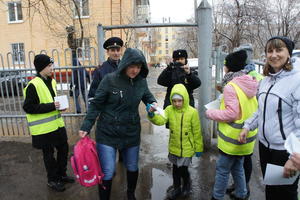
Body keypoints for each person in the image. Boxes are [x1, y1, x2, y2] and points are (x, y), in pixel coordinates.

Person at [78, 48, 157, 200]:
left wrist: (152, 103)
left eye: (139, 67)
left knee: (133, 166)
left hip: (131, 132)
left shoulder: (141, 81)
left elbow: (148, 97)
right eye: (132, 66)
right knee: (107, 171)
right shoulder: (109, 79)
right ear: (125, 64)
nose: (135, 70)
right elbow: (96, 104)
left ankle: (130, 194)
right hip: (108, 132)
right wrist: (86, 125)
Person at [239, 36, 300, 200]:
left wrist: (295, 158)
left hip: (284, 151)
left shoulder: (297, 81)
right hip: (265, 147)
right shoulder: (265, 81)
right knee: (271, 190)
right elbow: (261, 110)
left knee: (286, 194)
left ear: (289, 53)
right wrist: (247, 126)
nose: (273, 55)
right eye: (269, 51)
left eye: (279, 50)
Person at [206, 50, 259, 200]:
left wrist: (210, 113)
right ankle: (242, 194)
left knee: (222, 170)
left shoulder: (231, 86)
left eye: (225, 65)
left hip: (232, 139)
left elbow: (231, 114)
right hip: (247, 137)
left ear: (229, 68)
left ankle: (217, 196)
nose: (224, 68)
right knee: (238, 167)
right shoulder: (249, 82)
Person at [23, 54, 74, 192]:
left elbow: (53, 101)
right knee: (49, 155)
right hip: (43, 128)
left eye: (51, 65)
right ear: (41, 67)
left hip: (57, 124)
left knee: (64, 148)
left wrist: (60, 105)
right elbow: (28, 107)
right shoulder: (33, 85)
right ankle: (52, 180)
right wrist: (52, 106)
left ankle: (61, 175)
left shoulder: (51, 81)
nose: (52, 68)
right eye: (49, 66)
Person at [147, 83, 203, 200]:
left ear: (185, 99)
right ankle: (177, 187)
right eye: (174, 101)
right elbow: (160, 120)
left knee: (183, 169)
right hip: (174, 146)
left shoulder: (192, 112)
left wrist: (199, 148)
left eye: (179, 101)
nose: (177, 104)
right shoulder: (169, 110)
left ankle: (186, 185)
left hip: (187, 147)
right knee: (175, 169)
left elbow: (197, 132)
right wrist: (151, 114)